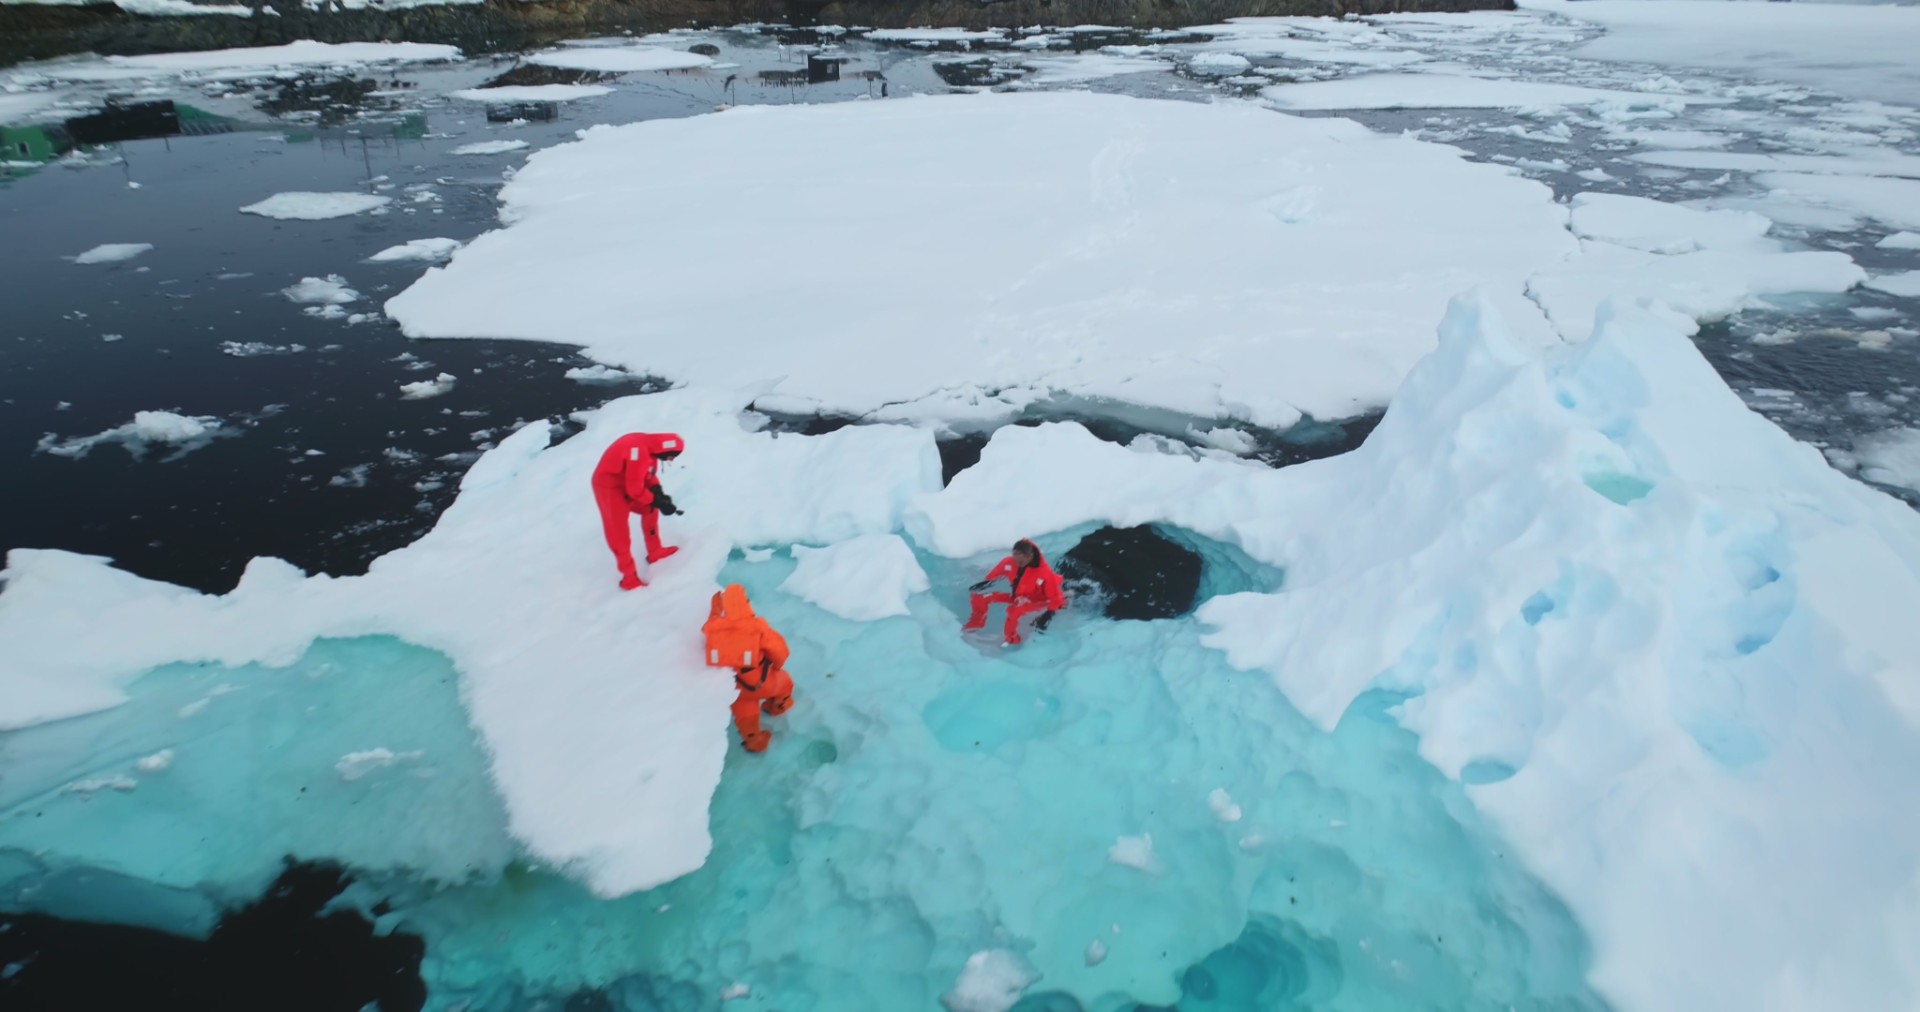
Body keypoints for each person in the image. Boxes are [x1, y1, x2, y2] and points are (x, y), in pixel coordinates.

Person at [702, 584, 794, 754]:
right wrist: (776, 666)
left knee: (746, 716)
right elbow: (781, 653)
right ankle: (777, 707)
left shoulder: (712, 630)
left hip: (736, 689)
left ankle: (755, 742)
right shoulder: (758, 629)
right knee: (785, 682)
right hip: (763, 682)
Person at [590, 432, 684, 590]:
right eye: (671, 457)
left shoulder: (650, 447)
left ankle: (655, 551)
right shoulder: (639, 453)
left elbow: (647, 474)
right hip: (609, 488)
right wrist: (656, 501)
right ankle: (629, 578)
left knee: (650, 509)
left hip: (627, 482)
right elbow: (635, 490)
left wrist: (658, 492)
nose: (672, 460)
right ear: (665, 451)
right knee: (619, 533)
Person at [962, 538, 1065, 645]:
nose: (1017, 563)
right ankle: (974, 626)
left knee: (1013, 611)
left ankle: (1012, 640)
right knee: (979, 598)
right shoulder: (1009, 562)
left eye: (1021, 561)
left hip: (1039, 601)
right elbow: (995, 575)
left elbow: (1056, 599)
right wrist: (986, 583)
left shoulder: (1044, 573)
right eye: (1015, 558)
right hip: (1018, 597)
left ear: (1030, 556)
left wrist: (1048, 615)